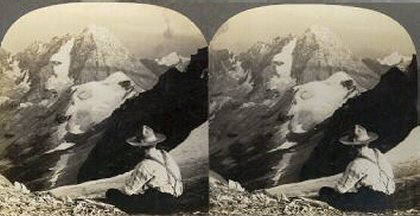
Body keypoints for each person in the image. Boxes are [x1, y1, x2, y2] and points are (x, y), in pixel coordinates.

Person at [105, 125, 183, 214]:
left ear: (139, 147)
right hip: (174, 200)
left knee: (111, 193)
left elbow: (128, 190)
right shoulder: (165, 155)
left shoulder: (145, 165)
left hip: (159, 204)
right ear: (155, 143)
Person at [319, 124, 395, 212]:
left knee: (325, 191)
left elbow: (341, 189)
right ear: (368, 142)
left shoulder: (357, 163)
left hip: (372, 202)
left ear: (351, 146)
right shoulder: (379, 154)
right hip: (388, 200)